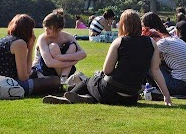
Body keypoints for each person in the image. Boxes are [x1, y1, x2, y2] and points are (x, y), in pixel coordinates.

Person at [42, 9, 172, 106]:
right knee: (98, 86)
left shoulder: (119, 42)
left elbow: (107, 70)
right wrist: (166, 96)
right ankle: (87, 98)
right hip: (131, 97)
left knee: (90, 80)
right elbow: (155, 71)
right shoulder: (151, 43)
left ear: (123, 25)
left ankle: (68, 98)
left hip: (110, 94)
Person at [0, 14, 59, 96]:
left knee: (35, 74)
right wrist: (30, 48)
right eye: (31, 29)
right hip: (6, 85)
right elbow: (23, 78)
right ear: (26, 30)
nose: (33, 32)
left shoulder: (3, 40)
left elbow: (27, 71)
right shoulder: (19, 43)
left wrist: (30, 47)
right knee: (55, 80)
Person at [141, 13, 186, 96]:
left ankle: (143, 87)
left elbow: (148, 61)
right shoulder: (172, 39)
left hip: (179, 86)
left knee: (148, 64)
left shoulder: (162, 43)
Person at [32, 9, 87, 80]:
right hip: (42, 70)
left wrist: (63, 57)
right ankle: (63, 80)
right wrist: (70, 63)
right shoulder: (43, 38)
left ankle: (63, 79)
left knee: (72, 46)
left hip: (62, 69)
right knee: (53, 47)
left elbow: (83, 54)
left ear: (59, 29)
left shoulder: (67, 37)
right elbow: (49, 62)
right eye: (45, 26)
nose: (46, 29)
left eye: (50, 28)